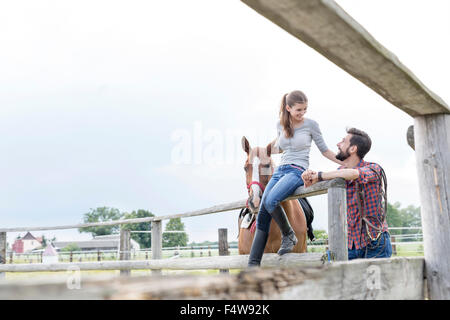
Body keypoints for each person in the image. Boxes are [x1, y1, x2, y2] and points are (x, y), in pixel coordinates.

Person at [248, 90, 343, 267]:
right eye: (299, 110)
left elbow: (325, 150)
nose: (302, 113)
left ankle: (289, 235)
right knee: (262, 211)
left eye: (305, 109)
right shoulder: (280, 125)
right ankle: (252, 266)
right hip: (279, 171)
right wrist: (260, 153)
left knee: (271, 201)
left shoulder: (311, 125)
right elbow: (279, 148)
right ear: (288, 108)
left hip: (297, 171)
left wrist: (345, 162)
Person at [301, 128, 392, 260]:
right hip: (349, 244)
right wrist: (308, 175)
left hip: (374, 242)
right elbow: (315, 182)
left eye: (343, 142)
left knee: (375, 281)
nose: (338, 144)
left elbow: (354, 174)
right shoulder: (339, 172)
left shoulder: (373, 168)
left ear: (352, 149)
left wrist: (320, 175)